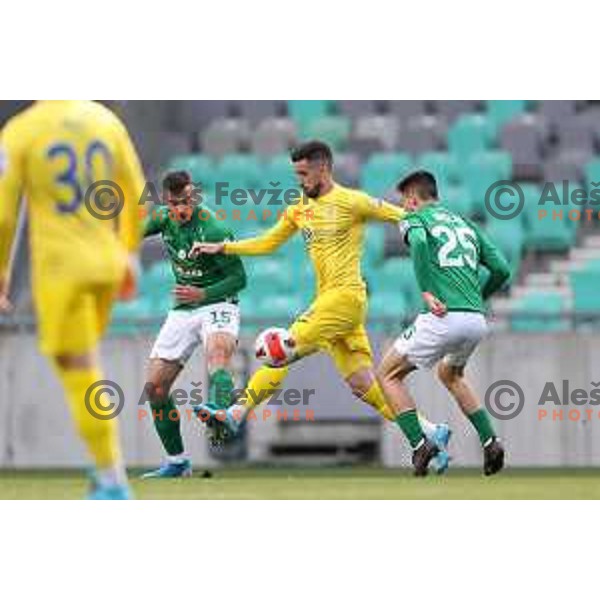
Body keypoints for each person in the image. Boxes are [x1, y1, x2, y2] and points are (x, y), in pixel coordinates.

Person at [191, 141, 450, 475]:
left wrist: (443, 233)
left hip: (345, 298)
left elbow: (403, 216)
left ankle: (235, 415)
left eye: (304, 174)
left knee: (280, 348)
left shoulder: (352, 200)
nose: (300, 181)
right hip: (332, 307)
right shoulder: (300, 209)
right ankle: (432, 433)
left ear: (323, 168)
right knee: (364, 386)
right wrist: (223, 247)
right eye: (296, 174)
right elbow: (268, 241)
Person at [0, 101, 144, 498]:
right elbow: (136, 193)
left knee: (79, 371)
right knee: (86, 364)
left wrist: (1, 272)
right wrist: (130, 257)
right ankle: (105, 471)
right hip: (108, 265)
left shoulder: (22, 130)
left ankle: (111, 478)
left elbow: (3, 215)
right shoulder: (106, 121)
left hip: (63, 271)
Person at [377, 170, 510, 476]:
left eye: (404, 200)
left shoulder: (415, 218)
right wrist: (478, 298)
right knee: (450, 373)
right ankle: (491, 442)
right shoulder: (465, 224)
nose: (404, 205)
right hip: (476, 320)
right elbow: (502, 269)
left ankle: (419, 446)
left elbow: (421, 243)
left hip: (443, 316)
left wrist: (426, 289)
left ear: (412, 197)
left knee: (387, 374)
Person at [140, 170, 246, 478]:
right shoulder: (163, 219)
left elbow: (240, 279)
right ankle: (177, 462)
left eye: (187, 201)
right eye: (175, 203)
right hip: (183, 309)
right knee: (155, 388)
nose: (182, 209)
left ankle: (217, 411)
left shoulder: (213, 228)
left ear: (195, 196)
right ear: (166, 202)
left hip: (218, 301)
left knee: (218, 355)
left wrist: (204, 292)